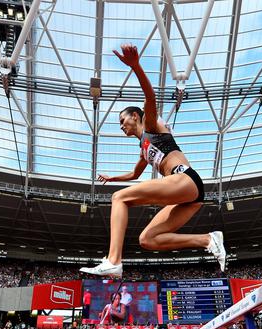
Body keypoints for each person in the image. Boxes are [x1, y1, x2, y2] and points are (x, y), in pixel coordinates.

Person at [80, 43, 226, 278]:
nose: (121, 127)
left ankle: (113, 260)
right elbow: (135, 175)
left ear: (135, 116)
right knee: (147, 239)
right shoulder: (143, 149)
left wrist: (135, 66)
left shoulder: (150, 125)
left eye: (122, 121)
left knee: (120, 198)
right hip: (188, 196)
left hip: (185, 178)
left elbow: (150, 96)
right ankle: (208, 240)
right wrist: (113, 177)